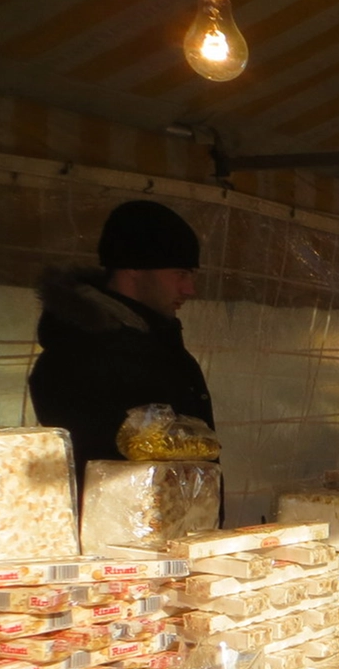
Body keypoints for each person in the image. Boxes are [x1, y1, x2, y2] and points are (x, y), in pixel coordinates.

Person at [29, 200, 213, 488]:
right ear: (134, 268)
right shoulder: (77, 352)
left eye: (192, 275)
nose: (190, 289)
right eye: (180, 274)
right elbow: (90, 460)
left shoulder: (156, 342)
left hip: (181, 524)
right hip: (123, 527)